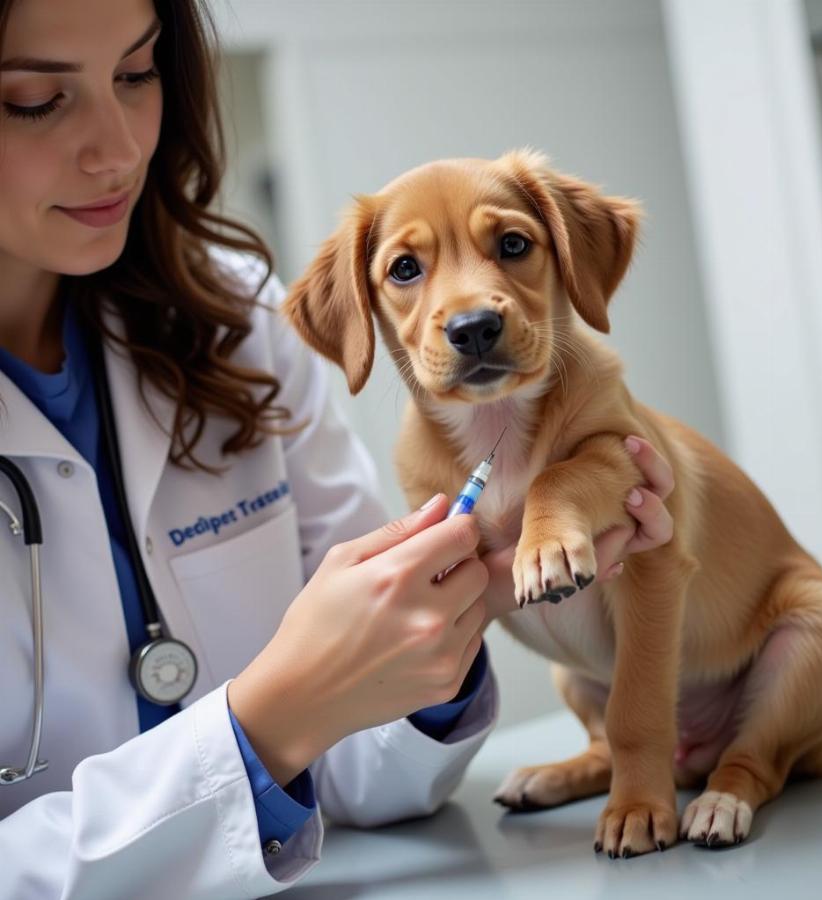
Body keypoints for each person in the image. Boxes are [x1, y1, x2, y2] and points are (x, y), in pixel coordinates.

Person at [0, 0, 676, 896]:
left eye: (135, 74)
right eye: (36, 100)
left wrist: (446, 633)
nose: (118, 148)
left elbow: (362, 775)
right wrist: (273, 718)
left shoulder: (238, 321)